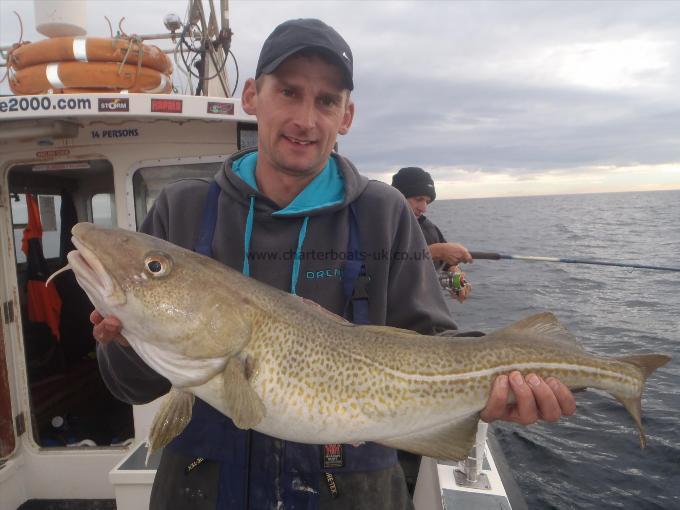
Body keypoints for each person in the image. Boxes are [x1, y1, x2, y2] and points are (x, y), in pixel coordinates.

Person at [91, 18, 576, 510]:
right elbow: (133, 386)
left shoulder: (384, 213)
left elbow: (432, 349)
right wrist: (125, 334)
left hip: (354, 491)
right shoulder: (184, 209)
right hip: (203, 488)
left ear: (346, 116)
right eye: (288, 92)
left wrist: (510, 382)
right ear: (252, 97)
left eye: (326, 101)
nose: (306, 119)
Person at [392, 166, 472, 302]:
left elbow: (447, 263)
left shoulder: (428, 227)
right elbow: (382, 262)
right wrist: (435, 252)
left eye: (427, 202)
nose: (424, 208)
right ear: (397, 197)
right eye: (418, 199)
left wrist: (455, 274)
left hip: (424, 309)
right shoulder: (379, 226)